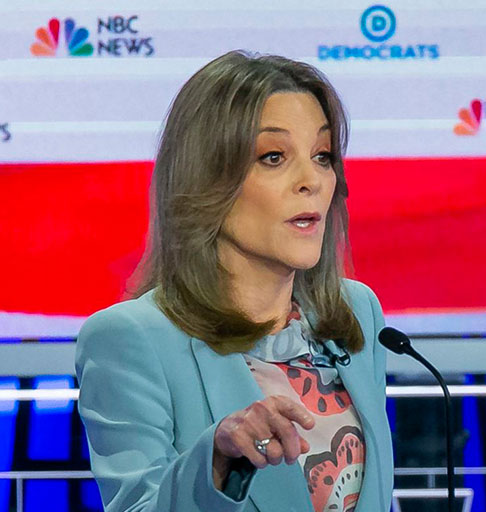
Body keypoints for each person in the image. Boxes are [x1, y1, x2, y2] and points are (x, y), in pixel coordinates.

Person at [75, 50, 393, 512]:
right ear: (207, 179)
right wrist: (217, 464)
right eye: (274, 157)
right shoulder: (130, 339)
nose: (313, 181)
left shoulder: (355, 312)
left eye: (322, 156)